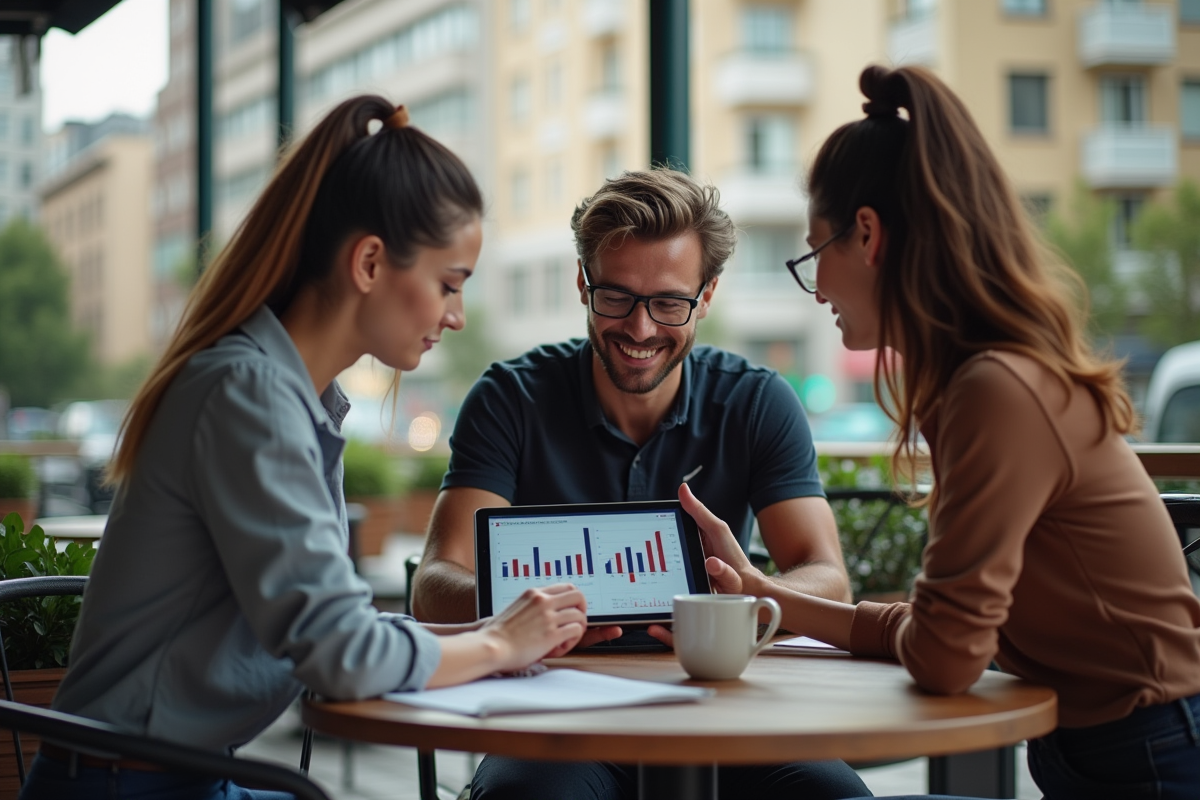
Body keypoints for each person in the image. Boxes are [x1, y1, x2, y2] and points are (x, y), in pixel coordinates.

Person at [19, 97, 589, 800]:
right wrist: (499, 644)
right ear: (371, 262)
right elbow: (339, 653)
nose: (456, 315)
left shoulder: (289, 395)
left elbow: (332, 622)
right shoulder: (249, 395)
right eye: (448, 283)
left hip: (180, 776)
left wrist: (488, 634)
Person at [687, 64, 1200, 800]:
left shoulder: (996, 390)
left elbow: (946, 655)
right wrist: (767, 595)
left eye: (812, 256)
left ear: (866, 235)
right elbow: (943, 629)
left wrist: (910, 630)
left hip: (1154, 758)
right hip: (1114, 747)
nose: (819, 287)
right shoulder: (974, 382)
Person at [411, 169, 870, 800]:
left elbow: (827, 575)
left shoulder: (757, 401)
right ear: (582, 283)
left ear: (706, 296)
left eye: (670, 302)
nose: (641, 328)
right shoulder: (509, 398)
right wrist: (533, 617)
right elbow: (435, 584)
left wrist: (740, 605)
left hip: (720, 706)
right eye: (617, 296)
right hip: (556, 716)